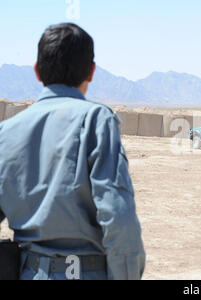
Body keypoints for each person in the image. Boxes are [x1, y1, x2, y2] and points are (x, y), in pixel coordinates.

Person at [0, 23, 146, 280]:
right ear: (91, 71)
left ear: (36, 71)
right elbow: (119, 218)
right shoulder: (96, 121)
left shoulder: (6, 132)